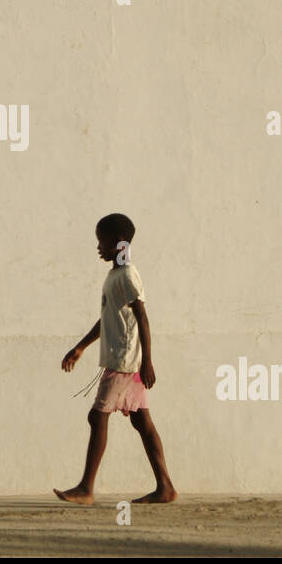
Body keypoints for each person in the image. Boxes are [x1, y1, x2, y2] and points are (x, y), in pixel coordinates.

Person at [54, 213, 177, 504]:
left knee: (97, 416)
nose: (98, 247)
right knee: (142, 422)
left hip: (124, 362)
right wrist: (81, 347)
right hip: (125, 361)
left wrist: (148, 361)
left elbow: (142, 317)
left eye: (102, 241)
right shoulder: (115, 276)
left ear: (118, 243)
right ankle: (166, 487)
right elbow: (107, 318)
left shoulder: (127, 275)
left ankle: (86, 489)